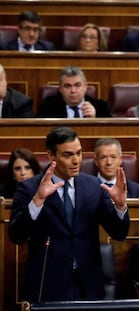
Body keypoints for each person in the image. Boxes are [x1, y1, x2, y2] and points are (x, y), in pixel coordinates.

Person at [8, 127, 129, 302]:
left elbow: (119, 233)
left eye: (79, 153)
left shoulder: (94, 186)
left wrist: (120, 206)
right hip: (47, 286)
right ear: (51, 155)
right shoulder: (30, 188)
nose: (76, 160)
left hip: (88, 285)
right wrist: (37, 201)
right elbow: (16, 235)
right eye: (67, 155)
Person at [36, 66, 112, 118]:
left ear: (85, 86)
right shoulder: (48, 107)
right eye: (67, 86)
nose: (73, 91)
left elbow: (110, 134)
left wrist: (95, 121)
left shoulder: (101, 107)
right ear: (60, 89)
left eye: (77, 85)